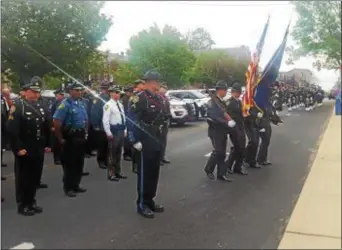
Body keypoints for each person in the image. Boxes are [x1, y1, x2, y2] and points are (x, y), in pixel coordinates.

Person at [7, 78, 51, 216]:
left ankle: (31, 201)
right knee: (23, 178)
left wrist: (49, 144)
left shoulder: (41, 106)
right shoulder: (18, 106)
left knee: (34, 177)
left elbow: (47, 127)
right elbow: (12, 130)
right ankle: (23, 204)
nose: (36, 94)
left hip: (37, 147)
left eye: (37, 92)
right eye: (33, 91)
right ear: (25, 92)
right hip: (25, 147)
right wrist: (17, 148)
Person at [127, 70, 165, 219]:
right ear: (149, 82)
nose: (158, 83)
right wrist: (134, 139)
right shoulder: (139, 98)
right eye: (156, 81)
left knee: (154, 172)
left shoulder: (159, 98)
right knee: (144, 173)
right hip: (143, 140)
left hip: (156, 138)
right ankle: (142, 203)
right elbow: (130, 119)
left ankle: (150, 200)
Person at [53, 81, 88, 198]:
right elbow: (57, 123)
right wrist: (60, 139)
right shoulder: (65, 104)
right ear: (70, 91)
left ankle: (76, 184)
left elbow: (85, 119)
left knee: (79, 162)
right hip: (70, 137)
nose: (79, 92)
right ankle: (68, 187)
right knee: (70, 164)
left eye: (80, 90)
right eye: (77, 90)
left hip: (80, 136)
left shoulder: (81, 103)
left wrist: (86, 132)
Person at [204, 80, 234, 181]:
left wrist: (230, 121)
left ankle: (221, 174)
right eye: (224, 90)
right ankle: (208, 169)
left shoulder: (221, 102)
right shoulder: (212, 102)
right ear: (219, 90)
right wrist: (226, 123)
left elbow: (225, 114)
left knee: (222, 153)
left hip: (223, 130)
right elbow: (214, 117)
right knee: (218, 152)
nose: (225, 92)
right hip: (215, 131)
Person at [102, 86, 127, 181]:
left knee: (119, 153)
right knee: (112, 154)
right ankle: (111, 174)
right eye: (115, 92)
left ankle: (118, 172)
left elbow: (123, 118)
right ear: (111, 93)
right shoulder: (108, 105)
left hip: (121, 130)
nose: (118, 94)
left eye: (118, 93)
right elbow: (105, 120)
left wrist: (125, 130)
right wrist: (108, 132)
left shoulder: (120, 105)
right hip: (114, 131)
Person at [225, 83, 248, 175]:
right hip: (234, 128)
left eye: (239, 92)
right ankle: (228, 166)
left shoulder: (239, 102)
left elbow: (241, 114)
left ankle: (237, 167)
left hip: (241, 126)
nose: (238, 94)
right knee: (237, 147)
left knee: (241, 148)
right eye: (236, 92)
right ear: (233, 92)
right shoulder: (229, 102)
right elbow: (229, 116)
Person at [90, 81, 110, 169]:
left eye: (107, 88)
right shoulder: (98, 98)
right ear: (101, 89)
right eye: (104, 88)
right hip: (101, 125)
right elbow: (94, 112)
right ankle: (101, 161)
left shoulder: (110, 98)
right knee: (101, 144)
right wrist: (96, 125)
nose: (105, 90)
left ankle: (106, 160)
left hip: (109, 125)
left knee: (108, 145)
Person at [128, 79, 146, 173]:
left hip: (142, 125)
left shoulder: (143, 95)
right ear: (137, 85)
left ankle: (140, 165)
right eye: (142, 84)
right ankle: (135, 165)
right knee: (136, 147)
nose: (144, 85)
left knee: (142, 148)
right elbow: (131, 113)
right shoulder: (135, 97)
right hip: (136, 124)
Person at [50, 88, 65, 165]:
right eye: (60, 95)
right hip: (56, 125)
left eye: (62, 95)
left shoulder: (64, 103)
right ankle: (57, 158)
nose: (62, 96)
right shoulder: (54, 103)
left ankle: (62, 157)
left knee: (62, 143)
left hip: (63, 125)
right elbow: (51, 115)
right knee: (57, 143)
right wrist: (52, 126)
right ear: (57, 95)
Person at [158, 83, 171, 165]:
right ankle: (158, 158)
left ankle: (162, 156)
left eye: (166, 88)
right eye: (163, 88)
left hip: (165, 121)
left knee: (163, 140)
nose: (165, 90)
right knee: (158, 141)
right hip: (159, 122)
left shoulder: (165, 98)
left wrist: (168, 116)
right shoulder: (158, 97)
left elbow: (168, 109)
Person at [122, 85, 134, 161]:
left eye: (131, 91)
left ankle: (130, 153)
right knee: (127, 139)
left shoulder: (130, 98)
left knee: (131, 138)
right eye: (129, 91)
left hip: (131, 120)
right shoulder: (125, 99)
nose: (130, 93)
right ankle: (126, 154)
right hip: (127, 120)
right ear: (126, 92)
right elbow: (126, 111)